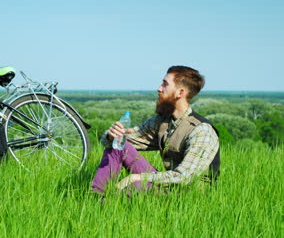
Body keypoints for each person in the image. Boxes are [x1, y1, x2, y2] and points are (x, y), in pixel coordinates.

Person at [92, 66, 220, 194]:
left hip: (188, 194)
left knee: (136, 185)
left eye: (165, 84)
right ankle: (95, 197)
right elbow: (113, 143)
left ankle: (110, 202)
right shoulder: (161, 122)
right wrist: (112, 136)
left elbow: (184, 177)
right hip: (166, 186)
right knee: (119, 147)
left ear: (180, 93)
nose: (159, 88)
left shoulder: (201, 131)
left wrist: (138, 177)